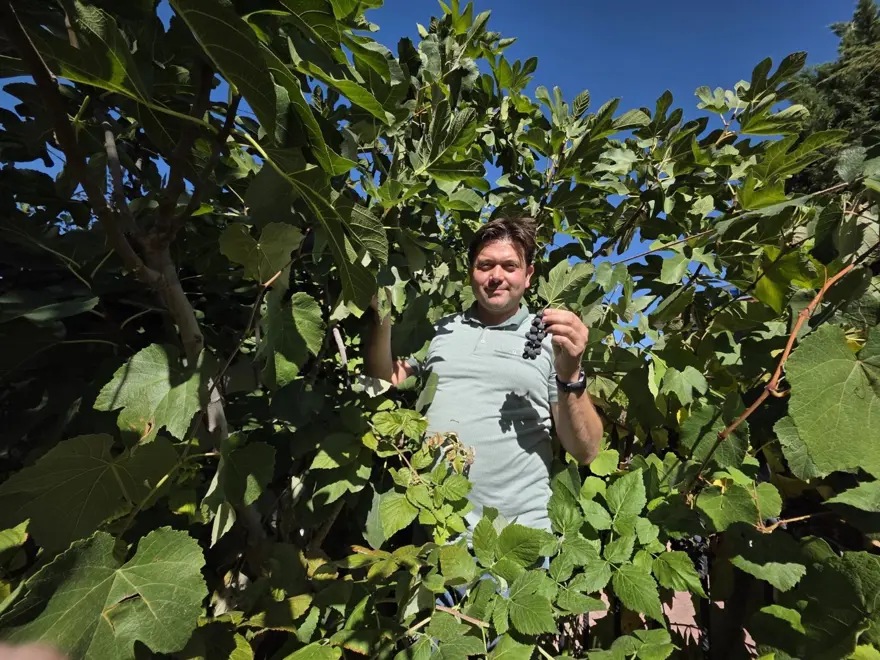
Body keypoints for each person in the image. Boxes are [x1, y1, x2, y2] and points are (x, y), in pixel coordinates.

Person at [365, 217, 603, 532]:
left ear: (528, 275)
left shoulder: (550, 341)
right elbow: (382, 381)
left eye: (509, 266)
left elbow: (586, 451)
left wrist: (571, 372)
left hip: (518, 538)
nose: (496, 276)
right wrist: (382, 313)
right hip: (438, 528)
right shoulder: (441, 329)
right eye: (485, 265)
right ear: (470, 272)